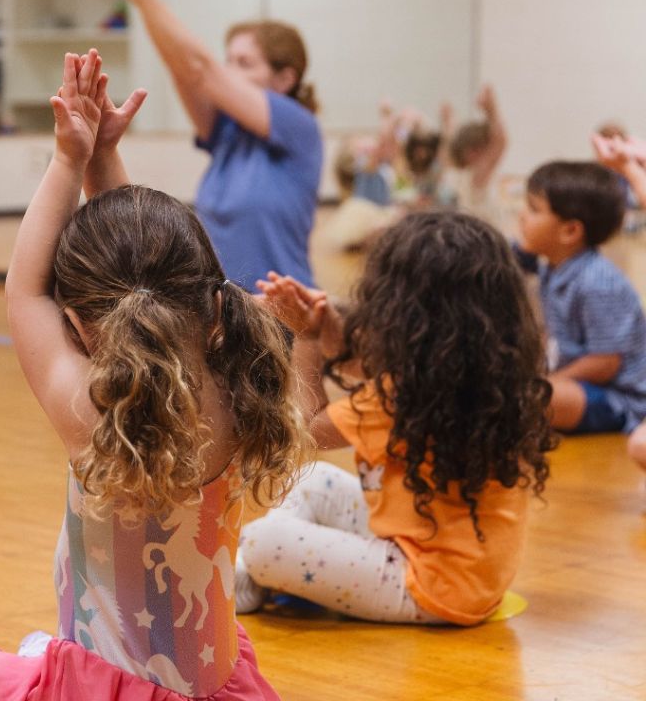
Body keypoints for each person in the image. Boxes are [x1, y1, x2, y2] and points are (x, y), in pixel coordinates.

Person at [0, 50, 306, 701]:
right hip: (217, 686)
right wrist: (103, 161)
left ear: (79, 327)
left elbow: (25, 294)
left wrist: (67, 160)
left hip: (95, 692)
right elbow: (153, 276)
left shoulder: (96, 413)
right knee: (31, 650)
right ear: (216, 305)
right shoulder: (239, 382)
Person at [235, 211, 555, 625]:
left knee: (266, 541)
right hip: (468, 574)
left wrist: (307, 337)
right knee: (316, 481)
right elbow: (363, 367)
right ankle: (258, 572)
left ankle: (250, 570)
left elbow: (303, 431)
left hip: (428, 586)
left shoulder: (397, 398)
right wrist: (327, 322)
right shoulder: (480, 380)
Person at [96, 0, 323, 290]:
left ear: (284, 80)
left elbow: (202, 69)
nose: (229, 71)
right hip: (229, 313)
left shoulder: (298, 125)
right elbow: (185, 69)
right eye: (228, 60)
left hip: (284, 312)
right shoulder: (227, 131)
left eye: (245, 63)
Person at [514, 161, 646, 435]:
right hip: (583, 385)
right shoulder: (550, 266)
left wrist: (552, 379)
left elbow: (606, 363)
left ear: (570, 231)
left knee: (537, 397)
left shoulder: (598, 282)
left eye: (534, 209)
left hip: (619, 399)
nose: (522, 216)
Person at [443, 84, 507, 219]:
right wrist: (491, 109)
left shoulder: (457, 172)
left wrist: (448, 118)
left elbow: (451, 136)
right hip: (485, 235)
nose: (489, 155)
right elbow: (500, 143)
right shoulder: (476, 177)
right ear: (473, 152)